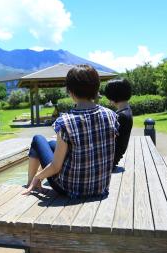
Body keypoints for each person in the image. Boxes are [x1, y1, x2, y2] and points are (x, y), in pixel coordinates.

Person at [23, 65, 119, 198]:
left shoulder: (65, 121)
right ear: (96, 88)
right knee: (51, 144)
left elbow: (56, 167)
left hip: (70, 189)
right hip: (100, 187)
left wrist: (38, 177)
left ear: (70, 91)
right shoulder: (111, 115)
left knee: (38, 139)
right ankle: (32, 181)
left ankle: (31, 182)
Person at [104, 78, 133, 170]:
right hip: (114, 159)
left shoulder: (121, 116)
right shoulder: (126, 111)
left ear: (113, 95)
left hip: (109, 161)